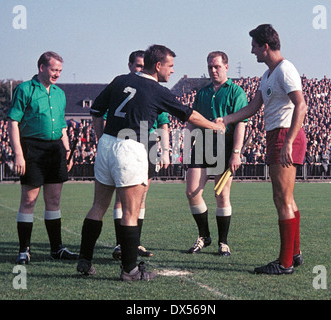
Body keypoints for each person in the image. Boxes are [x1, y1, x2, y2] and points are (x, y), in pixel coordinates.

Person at [77, 44, 225, 281]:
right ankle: (130, 270)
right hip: (130, 147)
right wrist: (215, 125)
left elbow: (95, 111)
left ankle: (84, 260)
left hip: (107, 144)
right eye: (171, 66)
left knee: (98, 206)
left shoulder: (119, 80)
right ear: (158, 66)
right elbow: (189, 115)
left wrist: (99, 139)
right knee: (130, 212)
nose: (172, 71)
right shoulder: (156, 89)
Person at [219, 24, 308, 274]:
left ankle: (285, 263)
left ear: (265, 46)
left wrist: (288, 141)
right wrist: (225, 120)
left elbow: (301, 106)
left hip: (284, 134)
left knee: (282, 199)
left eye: (254, 46)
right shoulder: (268, 75)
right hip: (276, 135)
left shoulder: (285, 69)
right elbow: (252, 108)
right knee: (285, 199)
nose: (252, 51)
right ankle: (294, 253)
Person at [8, 51, 78, 264]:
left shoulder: (59, 93)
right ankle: (24, 250)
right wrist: (19, 154)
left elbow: (63, 125)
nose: (57, 74)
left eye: (60, 71)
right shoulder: (24, 89)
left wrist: (66, 150)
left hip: (56, 149)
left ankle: (56, 249)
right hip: (32, 148)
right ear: (41, 68)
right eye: (53, 69)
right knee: (29, 200)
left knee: (54, 200)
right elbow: (13, 123)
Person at [185, 51, 248, 256]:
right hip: (202, 143)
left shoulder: (236, 92)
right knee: (192, 192)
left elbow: (240, 124)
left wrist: (236, 153)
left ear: (226, 67)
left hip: (224, 144)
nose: (213, 70)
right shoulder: (202, 92)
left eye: (217, 66)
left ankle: (223, 242)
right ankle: (204, 235)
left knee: (221, 194)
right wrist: (185, 145)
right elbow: (192, 121)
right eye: (210, 67)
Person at [110, 50, 170, 260]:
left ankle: (135, 243)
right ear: (130, 66)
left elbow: (164, 123)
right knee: (122, 196)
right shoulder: (122, 87)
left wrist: (165, 152)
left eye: (142, 65)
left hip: (149, 141)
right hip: (127, 139)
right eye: (137, 65)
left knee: (142, 195)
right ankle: (121, 244)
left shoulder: (154, 89)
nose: (140, 69)